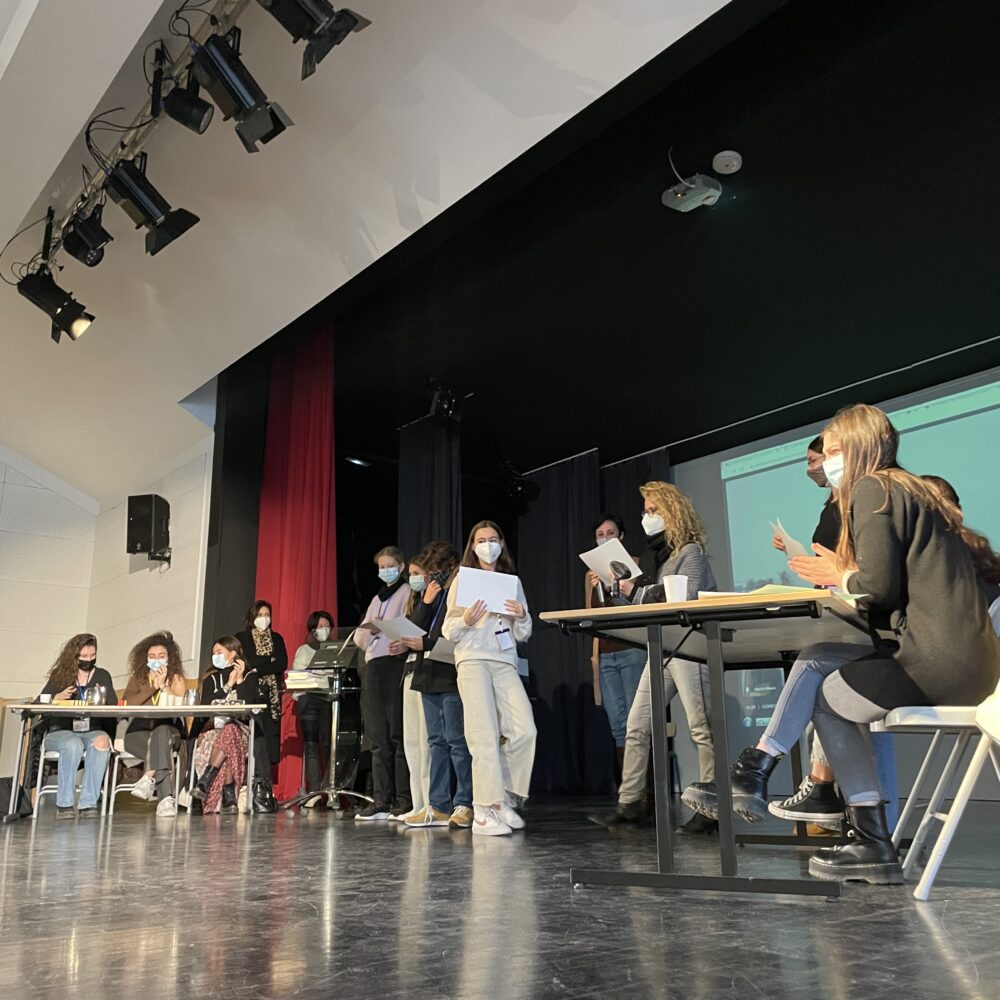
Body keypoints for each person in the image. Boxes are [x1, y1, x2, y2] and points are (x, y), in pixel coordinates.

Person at [683, 403, 1000, 884]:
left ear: (858, 446)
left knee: (828, 694)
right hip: (968, 663)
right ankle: (755, 772)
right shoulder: (909, 489)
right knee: (818, 659)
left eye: (832, 451)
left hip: (937, 664)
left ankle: (865, 836)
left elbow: (878, 589)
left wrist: (838, 574)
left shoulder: (873, 488)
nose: (827, 463)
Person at [769, 435, 899, 833]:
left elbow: (869, 575)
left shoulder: (865, 501)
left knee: (825, 680)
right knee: (829, 692)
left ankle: (774, 767)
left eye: (824, 456)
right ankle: (857, 817)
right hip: (843, 609)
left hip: (867, 621)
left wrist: (840, 572)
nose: (818, 466)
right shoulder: (834, 504)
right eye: (816, 459)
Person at [592, 482, 719, 833]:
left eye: (653, 511)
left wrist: (636, 590)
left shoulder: (690, 552)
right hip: (662, 648)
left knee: (702, 728)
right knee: (636, 726)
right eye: (645, 511)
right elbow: (643, 601)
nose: (647, 517)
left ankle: (711, 808)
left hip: (688, 646)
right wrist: (617, 587)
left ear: (672, 512)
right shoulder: (658, 557)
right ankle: (630, 804)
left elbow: (682, 596)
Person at [442, 520, 535, 837]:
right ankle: (483, 808)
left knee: (524, 730)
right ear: (472, 546)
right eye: (481, 540)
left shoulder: (511, 582)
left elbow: (523, 633)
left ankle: (501, 798)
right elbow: (449, 629)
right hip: (472, 660)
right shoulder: (463, 580)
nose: (488, 545)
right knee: (483, 733)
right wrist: (467, 619)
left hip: (505, 660)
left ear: (502, 543)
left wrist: (522, 615)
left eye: (493, 539)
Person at [405, 541, 474, 829]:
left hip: (450, 672)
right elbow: (413, 629)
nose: (433, 575)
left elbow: (458, 635)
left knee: (457, 740)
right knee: (436, 742)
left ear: (450, 567)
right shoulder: (432, 594)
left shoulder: (460, 592)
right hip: (428, 673)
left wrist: (426, 644)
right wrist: (426, 602)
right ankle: (438, 805)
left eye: (437, 569)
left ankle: (464, 802)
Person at [353, 546, 413, 820]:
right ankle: (381, 799)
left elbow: (411, 626)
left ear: (401, 567)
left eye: (390, 565)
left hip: (395, 664)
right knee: (377, 737)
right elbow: (360, 636)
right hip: (374, 667)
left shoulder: (407, 592)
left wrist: (386, 629)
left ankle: (403, 798)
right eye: (382, 566)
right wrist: (375, 629)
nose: (386, 570)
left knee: (397, 734)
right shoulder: (377, 599)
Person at [584, 513, 647, 777]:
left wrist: (617, 583)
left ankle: (644, 788)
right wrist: (597, 586)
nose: (605, 538)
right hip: (605, 654)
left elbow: (637, 607)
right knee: (617, 725)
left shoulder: (635, 566)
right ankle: (627, 788)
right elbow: (592, 614)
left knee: (636, 723)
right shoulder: (591, 574)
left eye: (610, 533)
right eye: (600, 534)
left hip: (631, 649)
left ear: (621, 536)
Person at [36, 634, 117, 818]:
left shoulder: (102, 675)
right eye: (84, 656)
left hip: (90, 730)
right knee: (72, 743)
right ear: (74, 656)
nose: (88, 660)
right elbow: (38, 703)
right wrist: (57, 698)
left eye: (92, 656)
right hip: (61, 731)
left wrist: (102, 697)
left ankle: (88, 803)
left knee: (102, 741)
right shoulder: (61, 675)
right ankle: (64, 804)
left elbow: (112, 704)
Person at [122, 631, 188, 817]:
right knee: (160, 750)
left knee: (160, 735)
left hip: (169, 731)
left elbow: (179, 706)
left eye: (161, 656)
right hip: (138, 733)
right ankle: (165, 801)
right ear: (145, 658)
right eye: (152, 656)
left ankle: (148, 779)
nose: (156, 660)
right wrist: (153, 687)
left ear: (169, 657)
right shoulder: (138, 678)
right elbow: (127, 703)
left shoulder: (176, 678)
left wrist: (164, 687)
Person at [190, 636, 259, 814]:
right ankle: (230, 799)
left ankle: (205, 780)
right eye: (213, 653)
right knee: (226, 741)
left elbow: (248, 703)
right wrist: (228, 685)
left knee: (230, 729)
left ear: (233, 653)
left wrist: (239, 679)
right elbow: (206, 706)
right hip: (213, 729)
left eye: (219, 652)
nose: (215, 656)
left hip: (241, 730)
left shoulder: (250, 676)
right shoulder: (211, 679)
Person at [235, 600, 287, 812]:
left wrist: (260, 667)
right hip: (250, 692)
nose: (264, 618)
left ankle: (263, 787)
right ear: (252, 617)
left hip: (271, 696)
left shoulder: (277, 638)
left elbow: (281, 663)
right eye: (260, 614)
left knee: (268, 740)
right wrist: (268, 661)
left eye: (267, 614)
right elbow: (249, 661)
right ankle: (248, 786)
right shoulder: (242, 637)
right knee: (253, 737)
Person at [395, 556, 432, 822]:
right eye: (411, 574)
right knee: (411, 741)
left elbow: (423, 633)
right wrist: (400, 645)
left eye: (418, 573)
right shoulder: (414, 603)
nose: (413, 579)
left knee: (426, 741)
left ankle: (430, 803)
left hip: (427, 671)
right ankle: (417, 803)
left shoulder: (432, 603)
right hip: (408, 672)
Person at [290, 610, 335, 805]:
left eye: (327, 626)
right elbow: (298, 675)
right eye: (320, 626)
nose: (324, 629)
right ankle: (314, 792)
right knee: (311, 745)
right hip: (308, 700)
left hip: (328, 699)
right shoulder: (304, 650)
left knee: (329, 745)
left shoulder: (334, 649)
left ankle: (329, 789)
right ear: (312, 629)